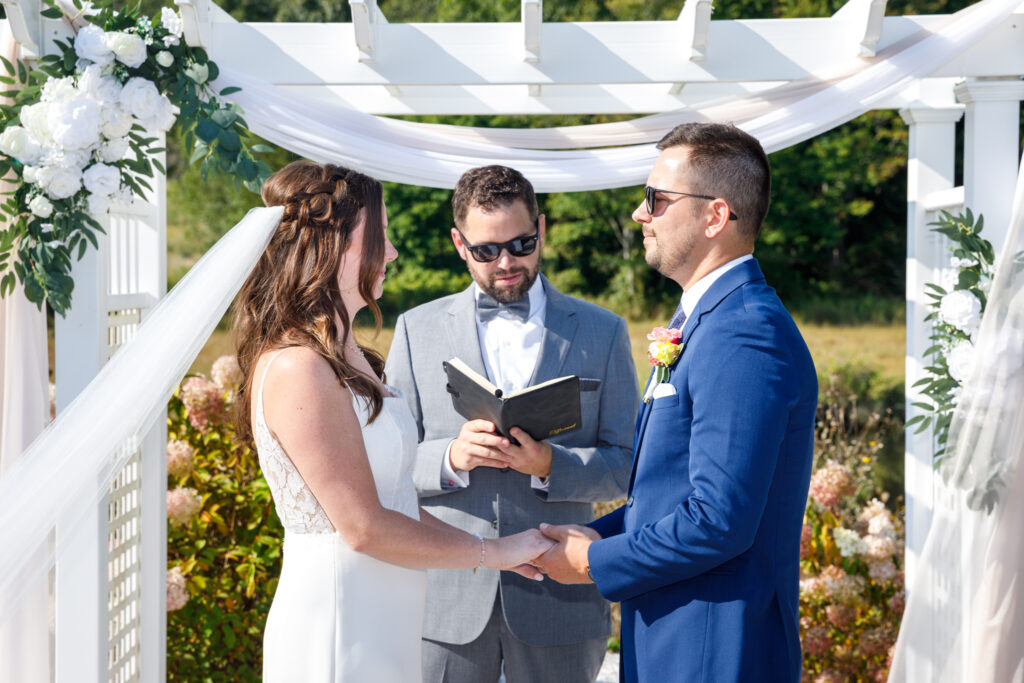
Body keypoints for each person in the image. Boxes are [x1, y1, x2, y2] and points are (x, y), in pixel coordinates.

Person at [232, 161, 554, 683]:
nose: (393, 253)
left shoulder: (348, 356)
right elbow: (362, 527)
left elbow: (395, 504)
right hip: (341, 617)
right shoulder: (298, 366)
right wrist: (493, 550)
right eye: (380, 237)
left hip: (388, 612)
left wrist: (499, 556)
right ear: (330, 245)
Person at [536, 123, 819, 682]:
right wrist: (599, 534)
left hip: (716, 646)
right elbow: (673, 493)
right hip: (678, 635)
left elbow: (718, 520)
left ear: (715, 217)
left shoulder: (744, 332)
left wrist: (593, 564)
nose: (641, 214)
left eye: (656, 199)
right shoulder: (707, 320)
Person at [385, 165, 639, 683]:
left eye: (522, 244)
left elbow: (631, 464)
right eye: (486, 250)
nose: (507, 262)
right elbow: (386, 463)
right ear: (459, 243)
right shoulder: (415, 329)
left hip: (559, 602)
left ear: (541, 229)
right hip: (445, 605)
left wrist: (552, 465)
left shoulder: (604, 331)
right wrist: (450, 458)